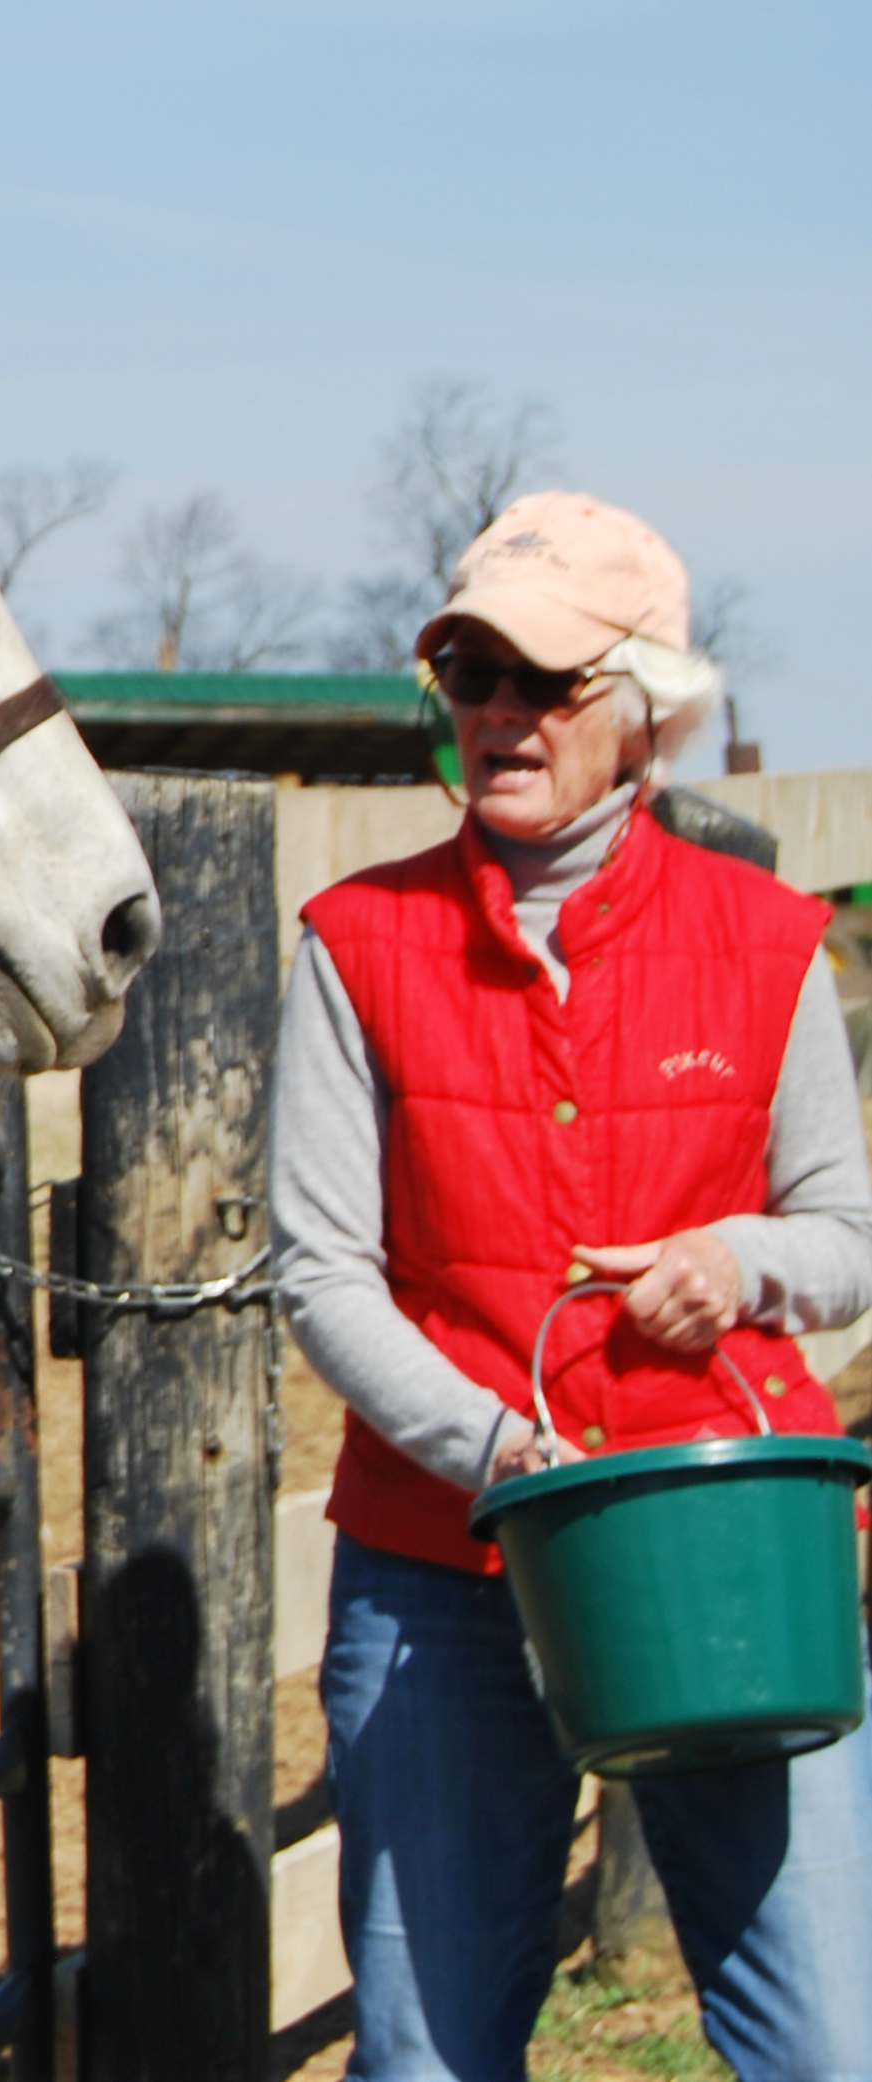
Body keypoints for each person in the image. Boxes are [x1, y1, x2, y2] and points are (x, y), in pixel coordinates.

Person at [270, 491, 872, 2081]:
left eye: (545, 681)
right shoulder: (354, 942)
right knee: (427, 2056)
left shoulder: (765, 941)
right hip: (441, 1559)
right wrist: (493, 1450)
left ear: (645, 708)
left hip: (724, 1548)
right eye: (470, 676)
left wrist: (733, 1263)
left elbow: (846, 1234)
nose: (500, 715)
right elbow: (320, 1270)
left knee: (827, 2040)